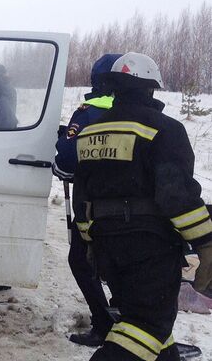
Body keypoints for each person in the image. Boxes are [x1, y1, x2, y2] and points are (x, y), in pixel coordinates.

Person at [72, 52, 212, 361]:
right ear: (151, 88)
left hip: (107, 245)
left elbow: (81, 198)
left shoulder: (89, 133)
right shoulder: (165, 129)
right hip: (149, 246)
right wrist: (205, 242)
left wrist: (89, 240)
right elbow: (176, 197)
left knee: (145, 322)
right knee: (147, 324)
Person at [53, 54, 122, 347]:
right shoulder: (135, 112)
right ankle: (127, 320)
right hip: (132, 208)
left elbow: (68, 161)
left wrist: (63, 145)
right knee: (120, 264)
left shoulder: (89, 112)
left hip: (94, 206)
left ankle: (104, 323)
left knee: (81, 260)